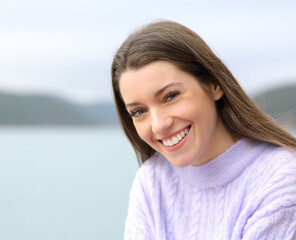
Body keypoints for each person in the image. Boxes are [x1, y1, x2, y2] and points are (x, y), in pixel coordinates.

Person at [111, 20, 296, 240]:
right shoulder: (152, 181)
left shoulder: (281, 179)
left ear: (213, 84)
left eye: (170, 96)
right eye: (139, 111)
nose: (159, 124)